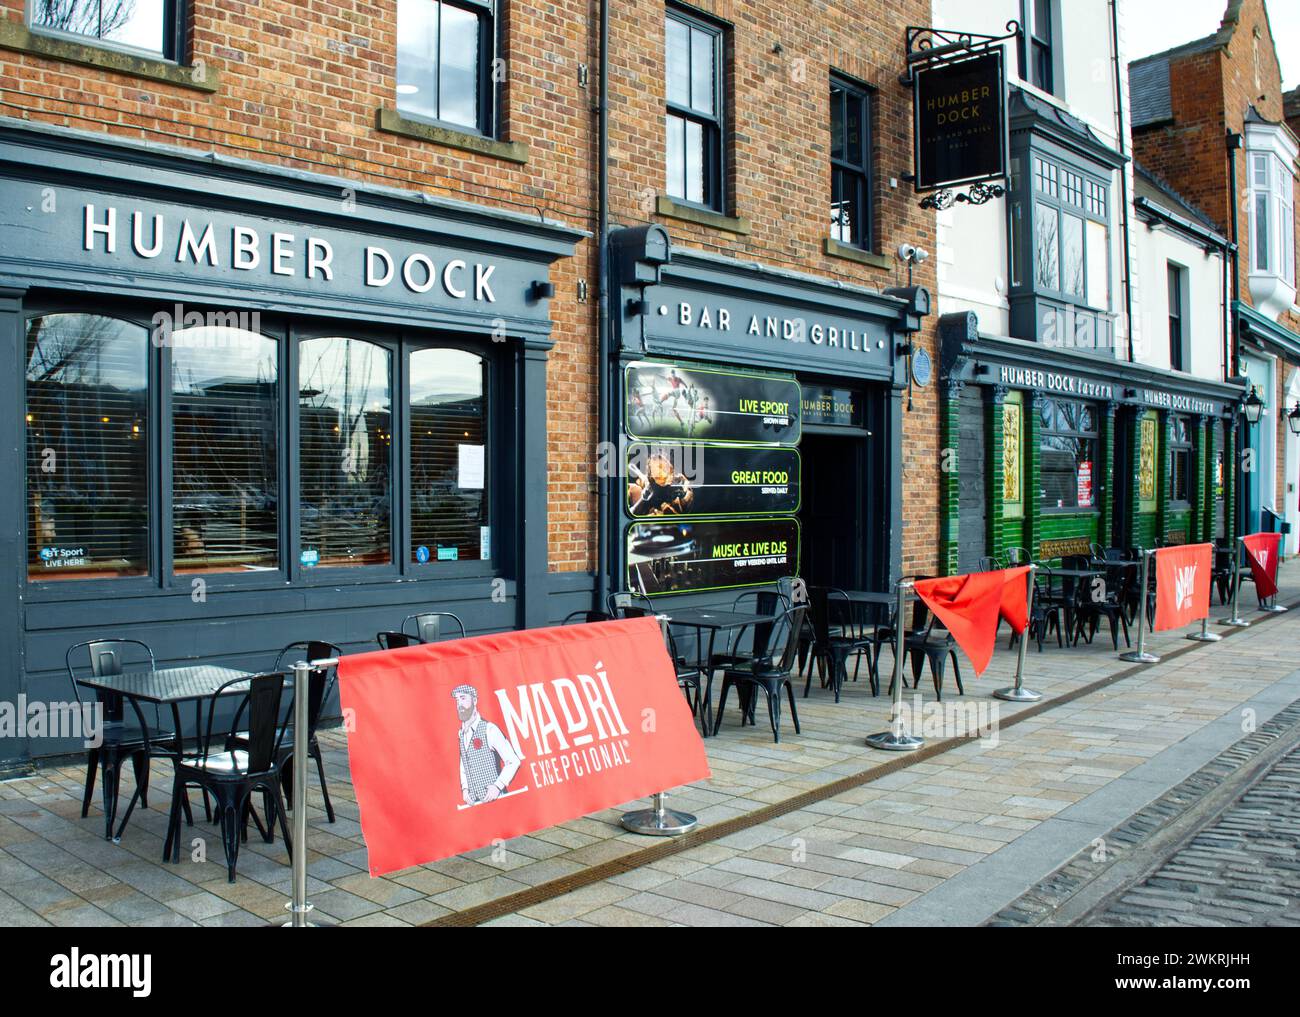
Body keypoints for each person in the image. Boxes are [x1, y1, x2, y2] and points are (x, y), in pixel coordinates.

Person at [453, 684, 522, 806]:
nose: (459, 704)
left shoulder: (489, 729)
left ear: (474, 700)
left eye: (463, 698)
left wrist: (497, 786)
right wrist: (465, 789)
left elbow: (513, 761)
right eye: (457, 700)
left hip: (498, 803)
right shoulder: (461, 734)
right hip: (476, 805)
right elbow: (464, 764)